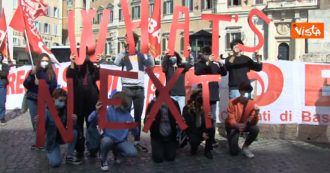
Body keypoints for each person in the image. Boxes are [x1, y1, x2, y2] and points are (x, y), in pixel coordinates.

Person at [114, 32, 154, 152]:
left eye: (127, 39)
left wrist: (149, 53)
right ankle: (122, 140)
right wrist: (123, 50)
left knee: (137, 116)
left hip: (139, 89)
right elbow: (116, 63)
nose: (125, 40)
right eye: (125, 38)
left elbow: (151, 65)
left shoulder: (141, 55)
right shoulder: (124, 55)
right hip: (127, 88)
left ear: (134, 42)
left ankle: (137, 141)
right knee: (124, 115)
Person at [88, 92, 138, 171]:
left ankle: (118, 153)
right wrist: (96, 111)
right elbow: (90, 120)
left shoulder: (127, 114)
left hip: (121, 141)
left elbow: (136, 132)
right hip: (108, 139)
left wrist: (132, 126)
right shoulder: (107, 111)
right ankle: (103, 159)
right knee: (106, 141)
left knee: (132, 152)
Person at [66, 52, 101, 158]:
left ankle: (93, 148)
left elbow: (98, 76)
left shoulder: (92, 68)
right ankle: (79, 149)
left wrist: (98, 64)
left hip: (91, 102)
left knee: (91, 126)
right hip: (78, 103)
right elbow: (70, 77)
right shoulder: (74, 68)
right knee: (78, 126)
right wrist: (72, 63)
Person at [35, 88, 81, 167]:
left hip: (62, 136)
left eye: (64, 101)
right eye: (60, 101)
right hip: (52, 140)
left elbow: (72, 126)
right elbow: (42, 130)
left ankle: (69, 156)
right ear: (53, 99)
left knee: (74, 132)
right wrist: (38, 123)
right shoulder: (46, 112)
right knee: (55, 163)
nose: (62, 103)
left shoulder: (66, 109)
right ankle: (51, 152)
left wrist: (74, 120)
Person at [194, 46, 227, 148]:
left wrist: (221, 63)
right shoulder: (199, 64)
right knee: (202, 117)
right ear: (202, 55)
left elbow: (224, 73)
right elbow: (197, 72)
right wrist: (207, 62)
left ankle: (211, 138)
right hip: (202, 94)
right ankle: (202, 136)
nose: (207, 55)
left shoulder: (215, 65)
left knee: (212, 117)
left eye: (209, 53)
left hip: (212, 94)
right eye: (205, 53)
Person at [23, 53, 57, 150]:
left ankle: (44, 140)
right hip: (33, 99)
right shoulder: (34, 72)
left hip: (45, 100)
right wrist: (31, 76)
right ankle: (38, 141)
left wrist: (43, 85)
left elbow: (53, 86)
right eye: (43, 61)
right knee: (35, 121)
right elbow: (26, 84)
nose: (44, 63)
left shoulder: (51, 73)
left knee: (44, 120)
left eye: (46, 61)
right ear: (39, 61)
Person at [161, 46, 193, 147]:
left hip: (180, 96)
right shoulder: (168, 68)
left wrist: (190, 53)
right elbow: (163, 66)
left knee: (180, 118)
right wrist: (166, 55)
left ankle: (180, 137)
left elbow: (191, 63)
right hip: (171, 95)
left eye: (174, 56)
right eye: (171, 57)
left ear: (177, 57)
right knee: (170, 117)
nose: (172, 58)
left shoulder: (181, 67)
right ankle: (172, 138)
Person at [225, 81, 260, 158]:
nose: (247, 94)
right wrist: (236, 125)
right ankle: (232, 143)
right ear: (241, 91)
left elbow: (253, 122)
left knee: (255, 129)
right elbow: (230, 118)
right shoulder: (232, 102)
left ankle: (245, 147)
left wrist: (257, 113)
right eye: (246, 92)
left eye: (249, 92)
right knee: (234, 152)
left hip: (244, 125)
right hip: (233, 126)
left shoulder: (252, 103)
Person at [145, 90, 179, 163]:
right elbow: (146, 124)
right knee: (158, 159)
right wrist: (148, 120)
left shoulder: (174, 104)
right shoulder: (152, 105)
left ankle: (168, 147)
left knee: (170, 157)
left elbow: (179, 120)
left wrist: (179, 121)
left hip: (170, 136)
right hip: (157, 136)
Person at [183, 88, 214, 159]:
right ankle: (194, 147)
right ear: (194, 99)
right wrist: (201, 133)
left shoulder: (205, 106)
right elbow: (188, 127)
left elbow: (208, 125)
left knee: (211, 129)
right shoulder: (187, 109)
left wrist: (211, 119)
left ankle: (208, 150)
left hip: (202, 129)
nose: (200, 103)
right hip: (192, 131)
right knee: (194, 140)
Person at [0, 53, 10, 126]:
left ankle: (2, 117)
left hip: (2, 85)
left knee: (2, 102)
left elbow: (4, 74)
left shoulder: (5, 66)